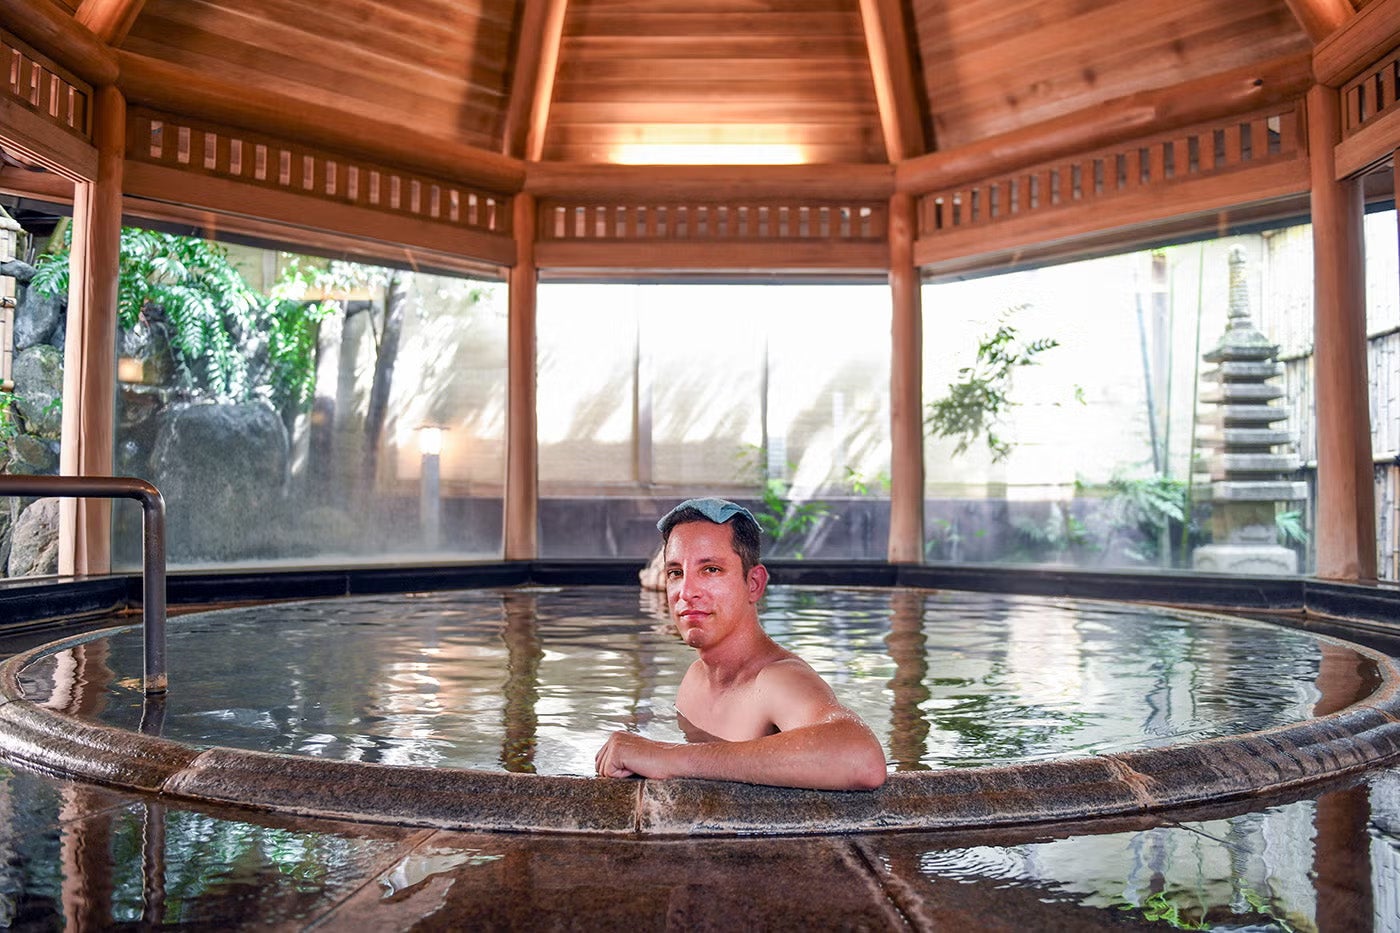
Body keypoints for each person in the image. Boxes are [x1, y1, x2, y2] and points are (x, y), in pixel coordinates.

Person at [594, 497, 888, 791]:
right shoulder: (695, 680)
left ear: (754, 584)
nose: (686, 592)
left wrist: (666, 756)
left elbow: (862, 760)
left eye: (711, 569)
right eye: (676, 573)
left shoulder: (776, 680)